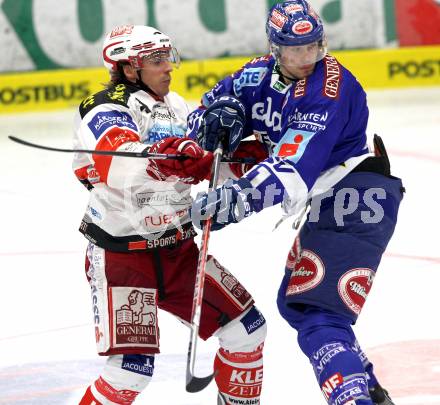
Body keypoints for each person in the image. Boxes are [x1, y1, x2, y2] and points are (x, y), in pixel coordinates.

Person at [188, 2, 404, 404]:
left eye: (313, 47)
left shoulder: (329, 89)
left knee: (320, 314)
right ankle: (370, 392)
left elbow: (291, 171)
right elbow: (197, 120)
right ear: (275, 50)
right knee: (297, 305)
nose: (306, 59)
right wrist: (215, 121)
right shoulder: (254, 76)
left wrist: (233, 202)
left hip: (357, 197)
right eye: (295, 50)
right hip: (332, 200)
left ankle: (356, 398)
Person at [72, 24, 267, 405]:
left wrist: (249, 157)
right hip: (122, 256)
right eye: (156, 61)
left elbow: (208, 163)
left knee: (248, 331)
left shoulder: (176, 106)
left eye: (168, 58)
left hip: (179, 251)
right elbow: (118, 164)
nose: (168, 68)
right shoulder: (103, 105)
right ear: (130, 68)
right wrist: (171, 159)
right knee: (130, 371)